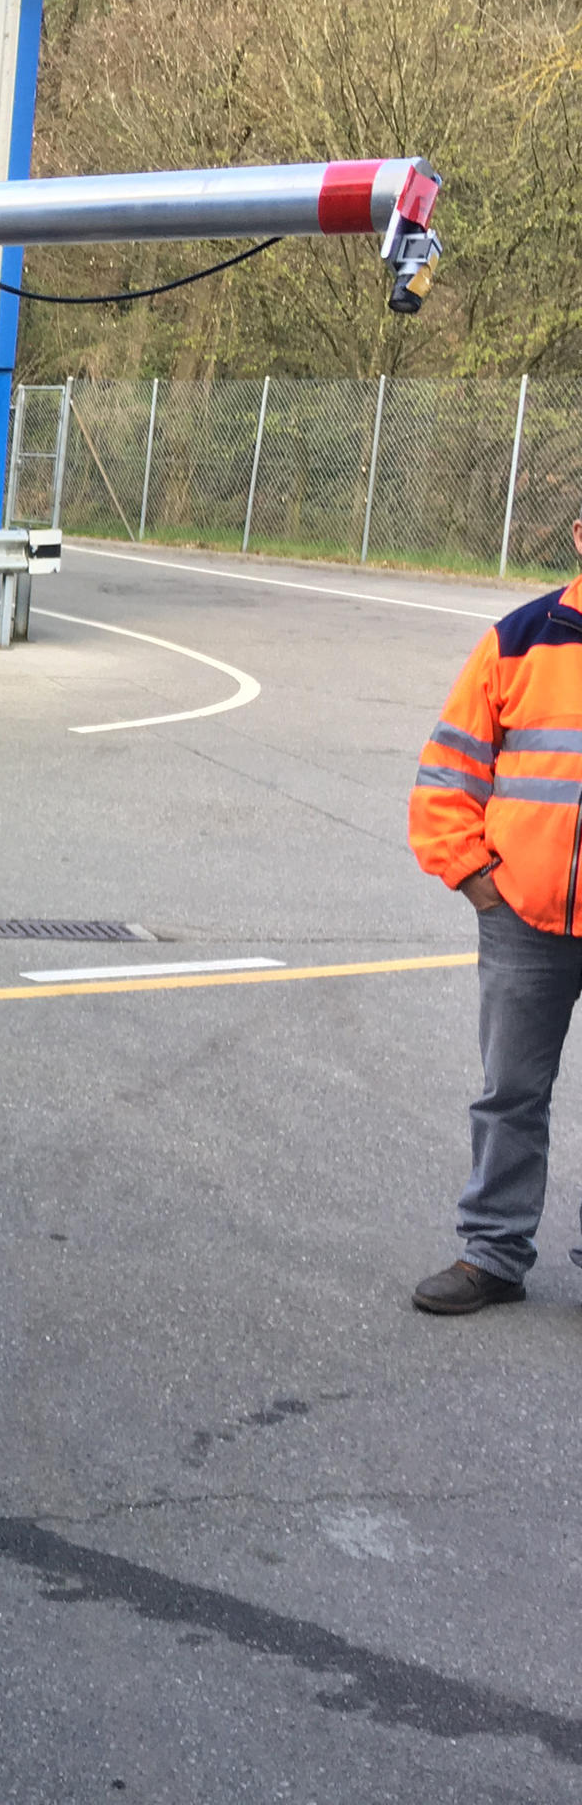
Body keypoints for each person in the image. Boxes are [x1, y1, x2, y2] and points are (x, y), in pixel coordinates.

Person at [409, 509, 582, 1313]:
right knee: (510, 1091)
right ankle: (494, 1255)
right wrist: (478, 881)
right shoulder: (519, 639)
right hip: (525, 918)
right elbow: (449, 770)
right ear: (580, 534)